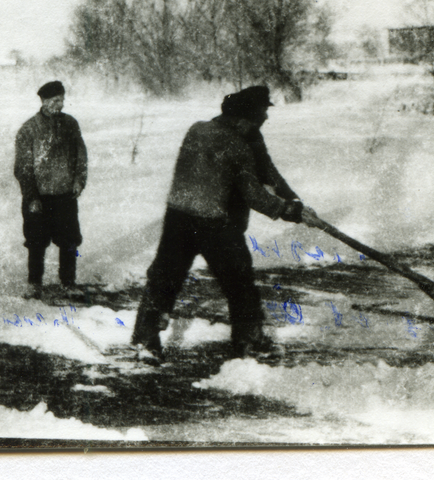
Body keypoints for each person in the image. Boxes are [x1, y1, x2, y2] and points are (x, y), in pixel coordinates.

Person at [131, 84, 320, 361]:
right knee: (239, 281)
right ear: (244, 119)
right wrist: (291, 211)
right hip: (215, 223)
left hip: (177, 216)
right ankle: (248, 340)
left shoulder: (197, 129)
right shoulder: (238, 144)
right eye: (260, 115)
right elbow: (255, 195)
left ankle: (145, 338)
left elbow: (266, 170)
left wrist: (294, 200)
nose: (264, 120)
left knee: (164, 277)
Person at [14, 81, 88, 299]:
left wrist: (79, 181)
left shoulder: (70, 124)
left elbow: (81, 156)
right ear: (44, 102)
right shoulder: (29, 130)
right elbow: (22, 167)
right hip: (39, 198)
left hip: (65, 195)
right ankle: (34, 284)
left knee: (70, 240)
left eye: (62, 99)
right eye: (56, 100)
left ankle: (68, 283)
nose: (61, 104)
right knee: (36, 241)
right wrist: (31, 197)